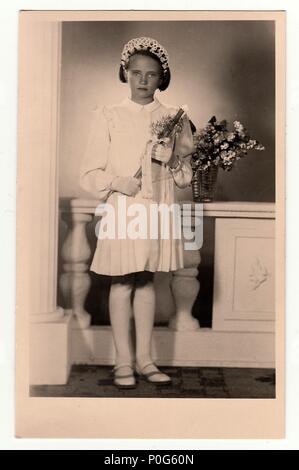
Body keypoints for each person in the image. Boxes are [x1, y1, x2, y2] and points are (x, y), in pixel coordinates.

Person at [80, 37, 195, 389]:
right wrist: (117, 182)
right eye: (136, 73)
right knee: (122, 281)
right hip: (124, 209)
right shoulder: (109, 115)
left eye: (152, 74)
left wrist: (171, 160)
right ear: (125, 74)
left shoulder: (174, 118)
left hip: (158, 210)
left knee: (147, 281)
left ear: (162, 77)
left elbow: (186, 176)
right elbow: (88, 173)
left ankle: (145, 360)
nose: (143, 80)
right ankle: (122, 362)